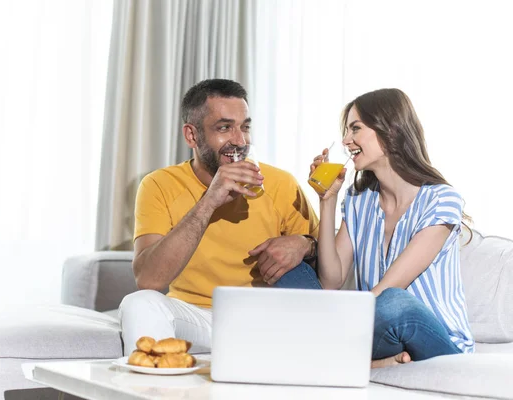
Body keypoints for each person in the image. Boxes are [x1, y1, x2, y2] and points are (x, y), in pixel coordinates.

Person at [119, 79, 320, 355]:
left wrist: (305, 243)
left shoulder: (280, 184)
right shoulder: (159, 185)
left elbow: (331, 266)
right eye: (225, 128)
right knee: (138, 303)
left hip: (263, 319)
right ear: (191, 135)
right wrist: (209, 201)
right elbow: (148, 279)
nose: (240, 141)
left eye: (245, 127)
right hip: (195, 317)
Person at [276, 88, 475, 368]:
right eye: (346, 132)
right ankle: (370, 362)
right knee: (288, 271)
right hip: (378, 329)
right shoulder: (359, 201)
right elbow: (331, 281)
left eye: (355, 129)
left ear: (389, 129)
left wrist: (327, 325)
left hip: (433, 338)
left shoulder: (441, 199)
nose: (346, 141)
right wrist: (328, 200)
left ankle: (329, 355)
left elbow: (389, 289)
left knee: (395, 302)